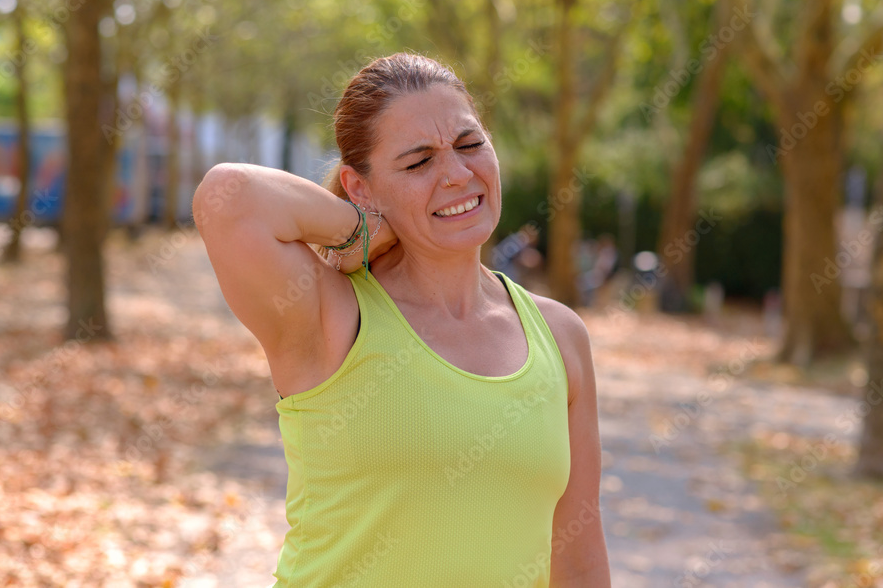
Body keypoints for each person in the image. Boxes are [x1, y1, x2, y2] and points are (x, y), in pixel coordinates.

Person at [193, 53, 610, 587]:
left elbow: (576, 552)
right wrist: (363, 232)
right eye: (418, 163)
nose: (458, 175)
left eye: (469, 144)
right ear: (360, 186)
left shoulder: (561, 336)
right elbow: (228, 198)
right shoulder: (332, 314)